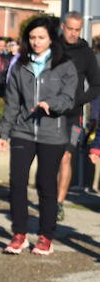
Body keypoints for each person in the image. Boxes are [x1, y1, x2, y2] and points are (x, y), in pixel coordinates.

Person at [0, 15, 77, 256]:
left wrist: (50, 104)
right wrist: (4, 132)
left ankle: (45, 236)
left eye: (41, 37)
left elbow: (69, 98)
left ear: (51, 38)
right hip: (23, 131)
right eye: (32, 37)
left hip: (52, 133)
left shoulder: (65, 66)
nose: (36, 42)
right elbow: (12, 101)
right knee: (17, 183)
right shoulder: (20, 65)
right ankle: (19, 234)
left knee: (45, 185)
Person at [55, 12, 100, 218]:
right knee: (49, 159)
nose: (73, 34)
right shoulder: (51, 47)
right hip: (48, 113)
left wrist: (80, 99)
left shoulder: (85, 52)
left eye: (77, 30)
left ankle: (59, 203)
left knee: (66, 156)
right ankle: (48, 196)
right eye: (70, 29)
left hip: (73, 115)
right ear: (62, 26)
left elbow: (96, 84)